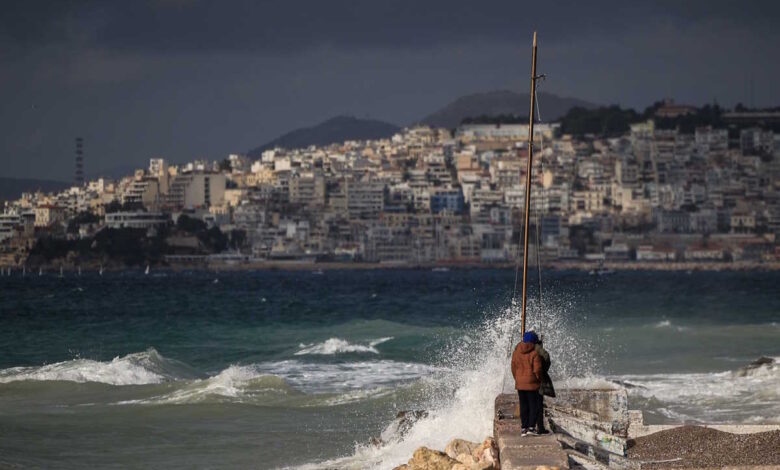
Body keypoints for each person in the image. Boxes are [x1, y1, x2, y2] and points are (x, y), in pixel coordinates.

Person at [511, 330, 543, 436]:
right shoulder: (535, 353)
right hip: (532, 384)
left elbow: (513, 368)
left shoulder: (516, 353)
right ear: (533, 342)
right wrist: (539, 380)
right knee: (533, 406)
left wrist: (518, 379)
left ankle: (523, 428)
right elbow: (537, 370)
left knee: (523, 406)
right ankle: (531, 427)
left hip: (520, 384)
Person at [534, 336, 556, 434]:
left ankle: (528, 427)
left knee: (529, 404)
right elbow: (546, 356)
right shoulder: (537, 348)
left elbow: (514, 365)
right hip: (536, 381)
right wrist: (543, 371)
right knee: (538, 405)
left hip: (524, 382)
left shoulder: (520, 348)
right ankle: (539, 427)